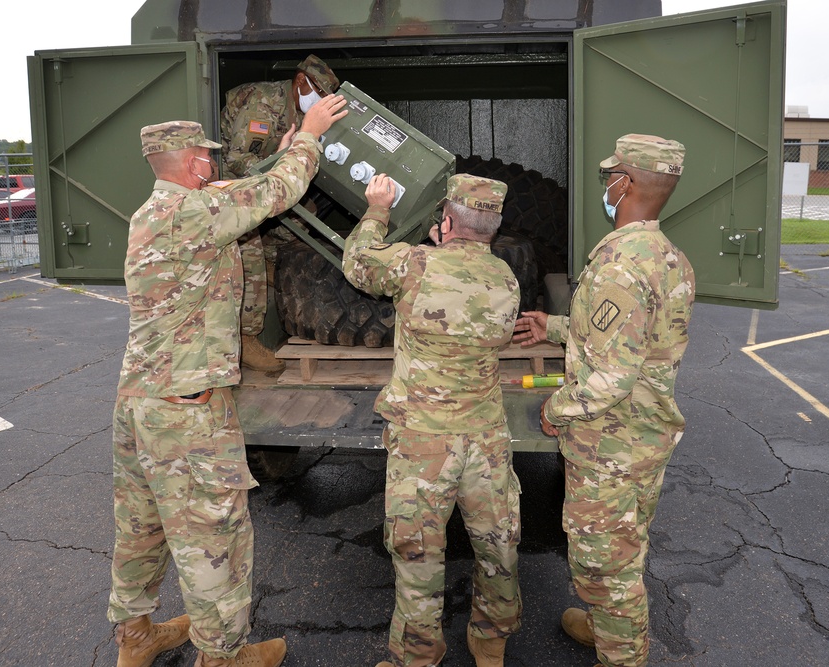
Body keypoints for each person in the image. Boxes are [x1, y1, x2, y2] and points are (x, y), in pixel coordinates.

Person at [109, 94, 347, 667]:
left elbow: (237, 195)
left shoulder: (158, 211)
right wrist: (311, 135)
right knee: (213, 536)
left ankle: (136, 636)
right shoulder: (193, 214)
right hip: (188, 410)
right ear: (194, 164)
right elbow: (271, 196)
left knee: (142, 525)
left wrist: (282, 153)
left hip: (142, 401)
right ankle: (223, 657)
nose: (214, 164)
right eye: (208, 157)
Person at [512, 134, 694, 667]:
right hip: (644, 437)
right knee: (625, 546)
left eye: (611, 175)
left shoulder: (619, 267)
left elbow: (610, 376)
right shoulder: (667, 257)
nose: (606, 183)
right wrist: (557, 327)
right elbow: (634, 338)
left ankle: (621, 652)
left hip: (611, 445)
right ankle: (602, 627)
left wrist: (557, 410)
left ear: (627, 183)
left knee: (606, 566)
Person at [343, 173, 524, 667]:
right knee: (497, 543)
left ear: (446, 221)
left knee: (418, 553)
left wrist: (378, 208)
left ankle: (419, 655)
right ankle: (491, 641)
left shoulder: (414, 263)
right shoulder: (507, 279)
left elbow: (357, 263)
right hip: (485, 439)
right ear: (491, 227)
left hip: (423, 442)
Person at [219, 54, 341, 372]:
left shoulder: (299, 110)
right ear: (301, 82)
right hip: (228, 184)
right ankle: (246, 337)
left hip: (261, 178)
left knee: (301, 214)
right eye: (321, 94)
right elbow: (236, 159)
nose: (321, 102)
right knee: (249, 245)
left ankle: (276, 264)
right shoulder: (264, 103)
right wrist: (274, 172)